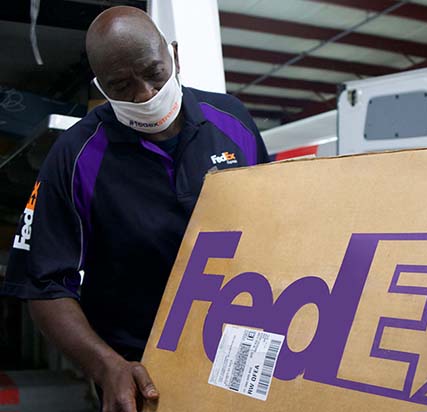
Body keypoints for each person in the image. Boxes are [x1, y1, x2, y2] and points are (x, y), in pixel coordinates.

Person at [0, 6, 268, 411]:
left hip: (240, 356)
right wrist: (107, 366)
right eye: (121, 85)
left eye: (154, 73)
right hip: (141, 375)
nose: (144, 95)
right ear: (100, 87)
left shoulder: (233, 122)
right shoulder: (75, 156)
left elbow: (275, 227)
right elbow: (44, 284)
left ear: (174, 55)